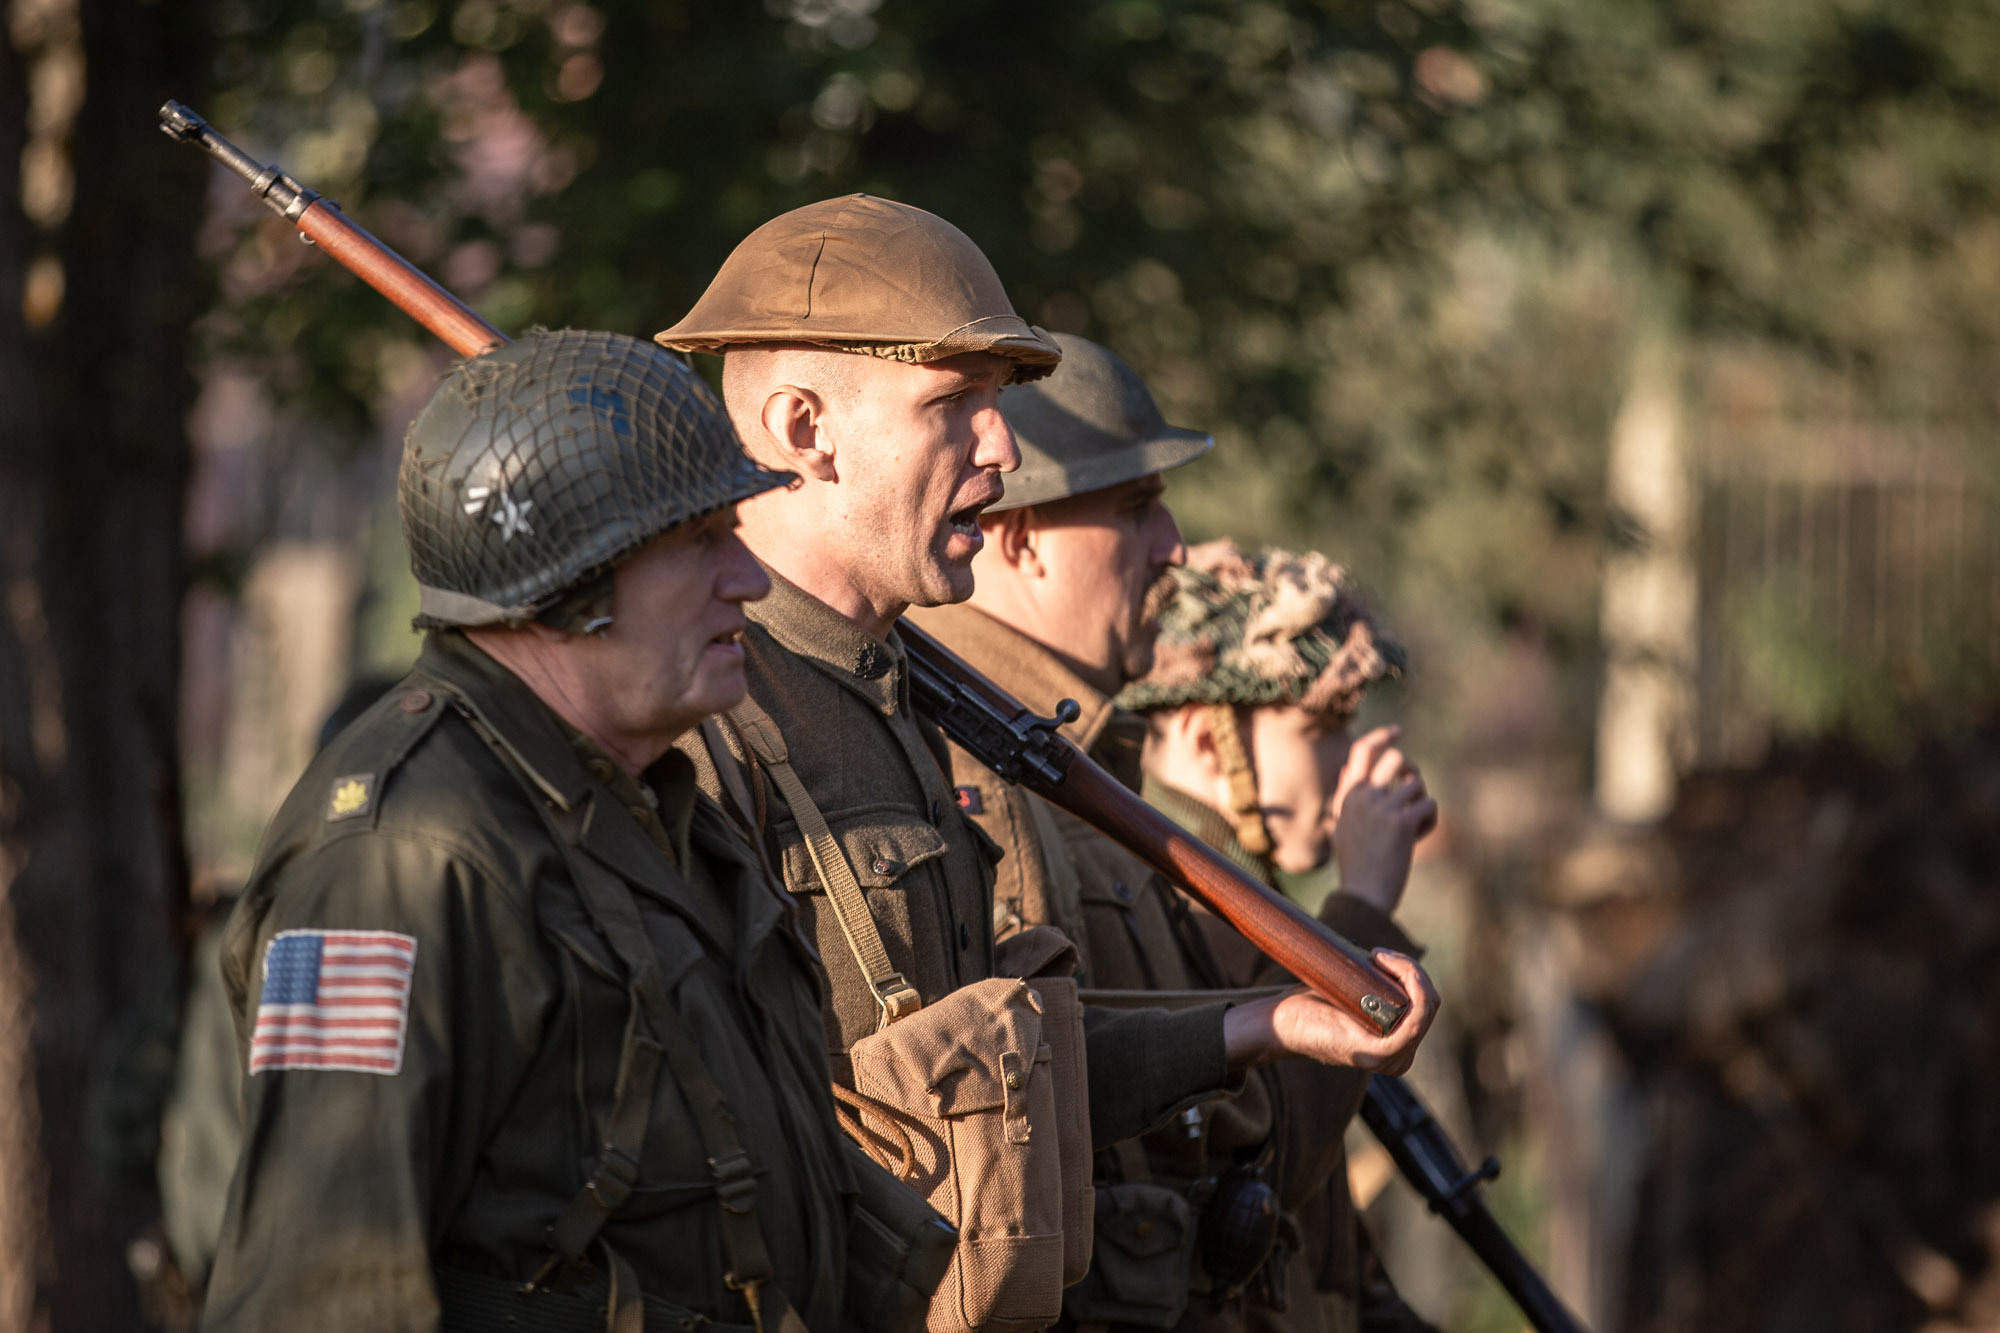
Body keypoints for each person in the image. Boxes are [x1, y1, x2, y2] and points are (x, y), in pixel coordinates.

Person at [652, 195, 1439, 1319]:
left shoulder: (900, 704)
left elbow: (1011, 1081)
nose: (1003, 448)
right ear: (801, 428)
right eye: (953, 404)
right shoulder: (702, 718)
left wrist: (1256, 1025)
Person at [201, 330, 950, 1333]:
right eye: (696, 543)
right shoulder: (398, 853)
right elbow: (320, 1291)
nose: (748, 578)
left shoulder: (654, 809)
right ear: (566, 583)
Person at [908, 336, 1432, 1333]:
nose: (1174, 547)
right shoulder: (975, 778)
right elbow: (1257, 1149)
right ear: (1018, 539)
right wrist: (1359, 909)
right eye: (1134, 505)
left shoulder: (1079, 770)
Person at [1120, 540, 1442, 1333]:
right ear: (1204, 738)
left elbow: (1337, 1270)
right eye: (1323, 725)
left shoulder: (1253, 895)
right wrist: (1363, 901)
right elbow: (1267, 1165)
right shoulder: (1150, 900)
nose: (1347, 762)